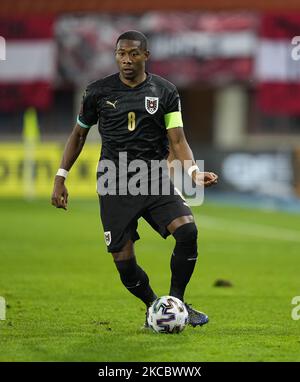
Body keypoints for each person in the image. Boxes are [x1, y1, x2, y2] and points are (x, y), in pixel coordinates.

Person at [51, 30, 218, 328]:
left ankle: (177, 303)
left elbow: (178, 140)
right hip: (113, 181)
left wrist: (193, 172)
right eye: (121, 54)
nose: (126, 60)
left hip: (152, 176)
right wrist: (60, 177)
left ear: (146, 56)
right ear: (116, 56)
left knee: (187, 231)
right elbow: (78, 135)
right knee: (124, 263)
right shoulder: (97, 92)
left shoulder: (166, 92)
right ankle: (154, 306)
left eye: (133, 54)